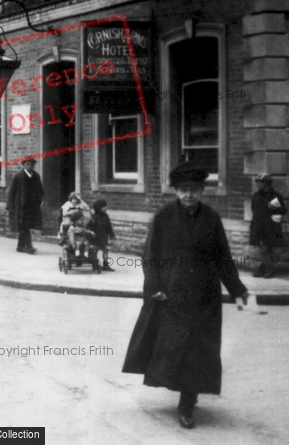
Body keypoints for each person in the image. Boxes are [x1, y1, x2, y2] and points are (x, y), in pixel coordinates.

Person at [122, 161, 249, 430]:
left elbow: (223, 258)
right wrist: (154, 287)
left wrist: (238, 290)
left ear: (202, 191)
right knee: (173, 348)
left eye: (193, 190)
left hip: (205, 296)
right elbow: (150, 256)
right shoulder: (164, 217)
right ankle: (181, 391)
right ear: (176, 192)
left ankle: (187, 403)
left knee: (198, 352)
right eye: (182, 190)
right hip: (173, 295)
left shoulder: (212, 218)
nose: (188, 195)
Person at [250, 173, 287, 279]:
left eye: (259, 182)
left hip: (271, 227)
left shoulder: (275, 196)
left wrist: (274, 208)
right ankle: (266, 269)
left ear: (266, 183)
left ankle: (265, 268)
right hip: (259, 226)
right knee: (263, 249)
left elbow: (284, 211)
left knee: (272, 250)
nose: (257, 184)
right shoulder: (256, 195)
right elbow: (253, 210)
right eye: (256, 182)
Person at [6, 155, 44, 254]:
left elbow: (41, 190)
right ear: (23, 165)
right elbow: (11, 192)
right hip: (20, 206)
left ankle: (20, 246)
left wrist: (38, 201)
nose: (30, 166)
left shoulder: (36, 176)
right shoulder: (18, 176)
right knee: (24, 226)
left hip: (32, 207)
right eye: (27, 164)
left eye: (31, 165)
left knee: (25, 227)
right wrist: (10, 206)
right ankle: (29, 247)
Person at [87, 199, 116, 271]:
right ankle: (95, 264)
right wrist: (90, 233)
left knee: (106, 250)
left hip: (104, 237)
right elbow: (88, 227)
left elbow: (109, 226)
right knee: (95, 250)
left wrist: (112, 235)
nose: (106, 208)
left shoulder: (106, 216)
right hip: (95, 237)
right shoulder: (94, 217)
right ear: (99, 208)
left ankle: (106, 265)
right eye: (104, 207)